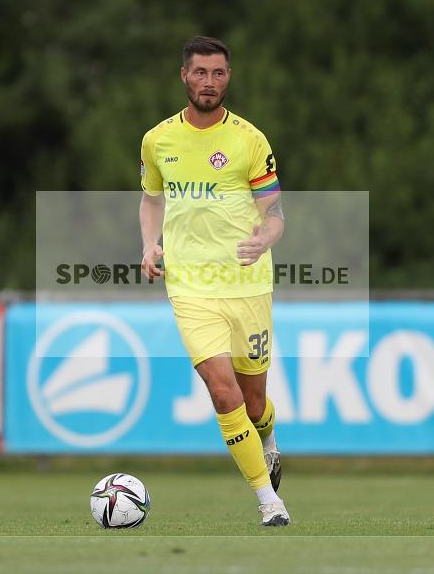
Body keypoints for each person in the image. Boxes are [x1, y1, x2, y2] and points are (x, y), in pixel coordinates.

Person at [138, 36, 289, 526]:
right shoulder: (158, 139)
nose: (209, 81)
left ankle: (268, 438)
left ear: (228, 77)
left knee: (254, 403)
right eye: (200, 72)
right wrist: (149, 244)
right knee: (223, 393)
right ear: (184, 75)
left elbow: (275, 214)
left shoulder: (250, 139)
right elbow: (152, 199)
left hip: (247, 285)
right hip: (190, 288)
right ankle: (269, 501)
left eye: (218, 73)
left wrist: (265, 238)